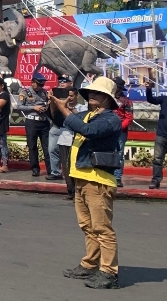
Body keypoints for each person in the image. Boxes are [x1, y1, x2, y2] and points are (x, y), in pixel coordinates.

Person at [51, 76, 123, 289]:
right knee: (87, 225)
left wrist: (64, 110)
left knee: (102, 227)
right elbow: (62, 121)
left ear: (108, 99)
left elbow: (87, 131)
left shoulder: (110, 119)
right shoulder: (88, 115)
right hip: (82, 177)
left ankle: (109, 272)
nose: (92, 95)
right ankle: (91, 264)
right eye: (91, 92)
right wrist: (55, 105)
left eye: (98, 93)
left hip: (98, 179)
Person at [18, 72, 51, 177]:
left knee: (47, 147)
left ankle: (51, 170)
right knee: (32, 146)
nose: (40, 86)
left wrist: (47, 105)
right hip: (32, 121)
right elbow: (19, 106)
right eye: (39, 84)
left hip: (43, 121)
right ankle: (35, 169)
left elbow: (47, 103)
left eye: (42, 84)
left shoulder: (44, 92)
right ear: (32, 83)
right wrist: (34, 108)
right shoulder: (25, 92)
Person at [112, 76, 132, 188]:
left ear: (119, 88)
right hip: (108, 129)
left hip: (120, 131)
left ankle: (118, 177)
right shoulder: (107, 98)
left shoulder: (126, 101)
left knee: (119, 154)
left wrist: (119, 127)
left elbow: (129, 118)